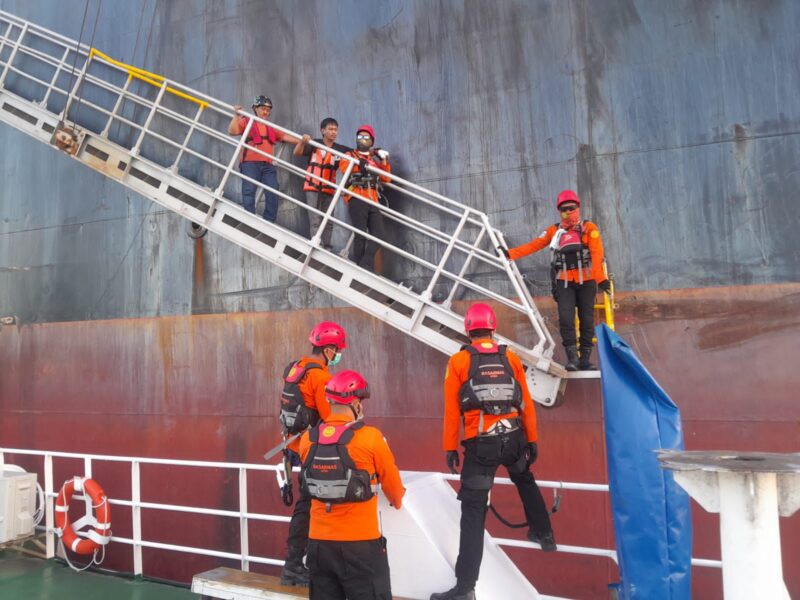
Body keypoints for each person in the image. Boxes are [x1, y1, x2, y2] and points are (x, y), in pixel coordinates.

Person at [431, 303, 555, 600]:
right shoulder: (509, 357)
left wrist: (450, 447)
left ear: (468, 330)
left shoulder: (459, 361)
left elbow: (452, 411)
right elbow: (525, 402)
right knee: (524, 479)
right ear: (492, 328)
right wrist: (532, 440)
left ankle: (465, 588)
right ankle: (544, 534)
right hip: (514, 439)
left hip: (481, 446)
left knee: (473, 514)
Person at [300, 370, 405, 599]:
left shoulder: (308, 439)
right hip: (361, 544)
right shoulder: (371, 437)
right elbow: (394, 490)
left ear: (330, 401)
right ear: (355, 404)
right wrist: (397, 500)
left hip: (319, 544)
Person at [501, 190, 611, 371]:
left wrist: (600, 279)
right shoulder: (554, 231)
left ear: (578, 207)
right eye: (564, 209)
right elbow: (535, 244)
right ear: (559, 211)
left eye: (571, 208)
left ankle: (585, 359)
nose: (568, 212)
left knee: (586, 319)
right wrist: (511, 254)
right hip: (564, 281)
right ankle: (572, 359)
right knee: (566, 320)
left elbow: (597, 253)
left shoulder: (589, 228)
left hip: (587, 281)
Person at [278, 321, 348, 586]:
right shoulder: (321, 378)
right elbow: (331, 418)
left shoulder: (297, 368)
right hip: (311, 451)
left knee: (309, 506)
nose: (338, 355)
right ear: (328, 350)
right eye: (337, 350)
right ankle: (294, 566)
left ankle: (303, 563)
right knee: (307, 507)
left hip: (295, 447)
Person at [228, 96, 306, 222]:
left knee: (273, 189)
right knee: (249, 190)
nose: (265, 112)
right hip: (250, 164)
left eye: (268, 110)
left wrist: (303, 140)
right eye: (263, 109)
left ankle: (269, 220)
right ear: (255, 109)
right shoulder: (247, 121)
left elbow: (285, 136)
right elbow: (232, 131)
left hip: (268, 165)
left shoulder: (270, 127)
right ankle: (249, 219)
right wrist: (236, 115)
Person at [338, 125, 391, 271]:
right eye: (360, 136)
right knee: (360, 234)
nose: (362, 139)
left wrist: (384, 160)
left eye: (366, 137)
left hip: (372, 201)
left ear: (372, 141)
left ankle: (364, 263)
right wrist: (358, 165)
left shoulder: (373, 161)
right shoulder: (350, 155)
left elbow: (386, 178)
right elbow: (344, 168)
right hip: (357, 198)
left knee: (379, 234)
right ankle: (361, 268)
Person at [293, 118, 351, 250]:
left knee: (328, 220)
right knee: (315, 219)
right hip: (312, 187)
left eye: (335, 129)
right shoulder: (314, 144)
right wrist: (302, 141)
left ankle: (327, 247)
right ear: (323, 130)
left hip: (329, 189)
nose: (333, 132)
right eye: (330, 129)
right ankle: (317, 244)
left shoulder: (340, 149)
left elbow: (356, 154)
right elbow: (297, 152)